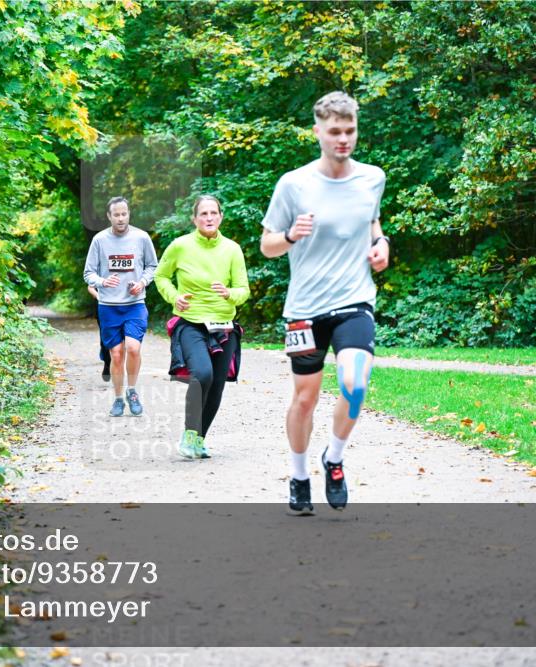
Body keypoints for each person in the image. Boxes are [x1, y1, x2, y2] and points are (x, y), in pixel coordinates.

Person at [260, 91, 389, 514]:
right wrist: (290, 235)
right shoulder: (293, 184)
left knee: (355, 385)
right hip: (304, 309)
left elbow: (372, 221)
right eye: (334, 131)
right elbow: (267, 245)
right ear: (317, 132)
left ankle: (333, 459)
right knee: (305, 399)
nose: (343, 139)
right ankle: (299, 476)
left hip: (355, 300)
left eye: (350, 130)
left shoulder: (372, 178)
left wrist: (381, 243)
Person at [155, 195, 250, 459]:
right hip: (191, 323)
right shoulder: (180, 246)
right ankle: (189, 433)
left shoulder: (232, 249)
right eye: (203, 214)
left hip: (224, 326)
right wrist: (175, 297)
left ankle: (198, 439)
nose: (209, 218)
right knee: (202, 374)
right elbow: (161, 276)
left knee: (217, 385)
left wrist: (229, 293)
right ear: (194, 219)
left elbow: (243, 290)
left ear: (221, 217)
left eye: (213, 213)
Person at [83, 197, 158, 416]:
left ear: (129, 214)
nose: (121, 218)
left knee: (133, 348)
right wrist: (102, 282)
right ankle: (118, 399)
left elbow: (152, 266)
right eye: (116, 215)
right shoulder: (99, 240)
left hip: (135, 304)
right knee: (116, 354)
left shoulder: (141, 237)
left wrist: (142, 282)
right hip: (108, 306)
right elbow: (88, 273)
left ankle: (132, 391)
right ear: (109, 216)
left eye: (124, 214)